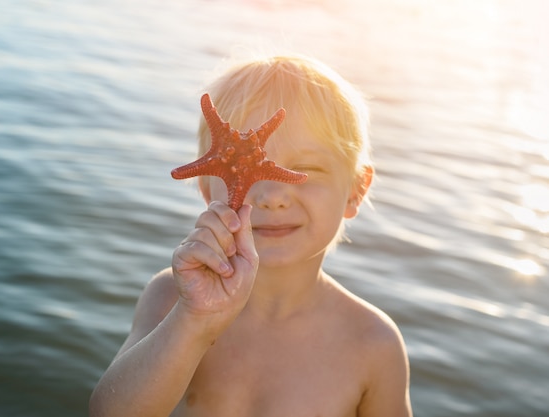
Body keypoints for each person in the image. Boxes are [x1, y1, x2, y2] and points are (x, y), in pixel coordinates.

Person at [89, 54, 412, 417]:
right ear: (207, 186)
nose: (272, 196)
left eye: (303, 170)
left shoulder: (372, 344)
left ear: (355, 190)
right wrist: (193, 321)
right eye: (240, 168)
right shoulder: (171, 299)